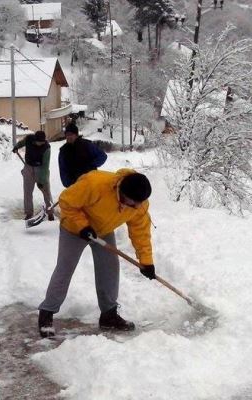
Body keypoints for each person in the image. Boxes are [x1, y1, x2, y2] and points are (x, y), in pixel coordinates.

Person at [37, 169, 157, 338]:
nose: (137, 207)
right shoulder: (95, 184)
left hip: (103, 230)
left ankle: (109, 314)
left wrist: (147, 262)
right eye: (133, 203)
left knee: (110, 268)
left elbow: (140, 232)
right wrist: (83, 227)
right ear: (122, 193)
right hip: (74, 228)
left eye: (140, 203)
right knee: (65, 268)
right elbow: (66, 202)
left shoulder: (140, 204)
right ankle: (47, 312)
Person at [12, 130, 53, 220]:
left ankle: (50, 212)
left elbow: (45, 166)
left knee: (46, 190)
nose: (41, 144)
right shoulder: (29, 139)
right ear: (35, 140)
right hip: (28, 166)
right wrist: (16, 147)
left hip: (41, 168)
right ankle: (29, 213)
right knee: (27, 191)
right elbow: (21, 143)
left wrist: (41, 180)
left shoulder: (46, 148)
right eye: (39, 142)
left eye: (42, 142)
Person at [58, 122, 107, 188]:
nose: (69, 136)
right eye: (67, 134)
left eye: (71, 134)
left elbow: (102, 156)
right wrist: (68, 184)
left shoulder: (87, 145)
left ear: (76, 135)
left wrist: (91, 165)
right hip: (74, 185)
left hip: (90, 182)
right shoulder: (63, 151)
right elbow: (63, 169)